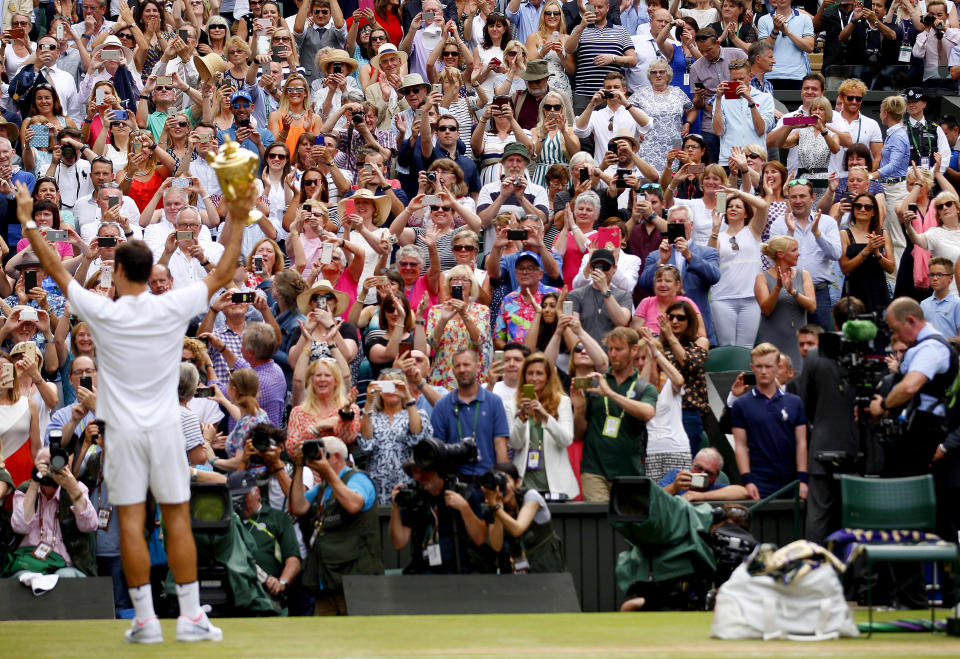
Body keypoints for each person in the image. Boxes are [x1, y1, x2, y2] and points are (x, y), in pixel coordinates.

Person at [13, 165, 255, 641]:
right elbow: (226, 269)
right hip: (164, 429)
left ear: (118, 272)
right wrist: (240, 215)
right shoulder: (172, 305)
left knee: (130, 520)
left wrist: (27, 221)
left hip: (122, 433)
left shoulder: (102, 309)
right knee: (177, 517)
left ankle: (145, 620)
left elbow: (58, 270)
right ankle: (188, 619)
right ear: (149, 272)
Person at [288, 435, 384, 615]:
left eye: (322, 455)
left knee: (358, 638)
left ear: (338, 458)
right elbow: (297, 507)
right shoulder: (323, 487)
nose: (317, 459)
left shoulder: (358, 479)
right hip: (326, 578)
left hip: (355, 581)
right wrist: (299, 466)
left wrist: (328, 472)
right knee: (325, 639)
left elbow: (354, 504)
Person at [868, 297, 957, 477]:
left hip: (926, 433)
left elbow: (909, 387)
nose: (896, 336)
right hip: (915, 429)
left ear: (910, 321)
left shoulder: (931, 348)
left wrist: (884, 405)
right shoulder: (921, 347)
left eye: (896, 329)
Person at [572, 327, 658, 502]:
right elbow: (578, 434)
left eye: (618, 349)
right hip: (594, 470)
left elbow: (647, 413)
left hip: (629, 471)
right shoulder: (595, 383)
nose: (613, 354)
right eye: (610, 349)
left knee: (627, 525)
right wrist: (579, 409)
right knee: (599, 524)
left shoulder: (643, 387)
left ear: (634, 350)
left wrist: (610, 394)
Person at [388, 441, 489, 574]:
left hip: (461, 574)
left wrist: (465, 508)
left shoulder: (463, 492)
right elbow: (399, 543)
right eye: (414, 472)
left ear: (440, 471)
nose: (418, 477)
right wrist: (395, 507)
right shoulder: (414, 496)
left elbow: (479, 538)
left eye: (423, 472)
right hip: (425, 576)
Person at [6, 447, 99, 578]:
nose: (49, 470)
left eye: (53, 465)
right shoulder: (25, 489)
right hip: (31, 562)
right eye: (44, 464)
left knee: (64, 577)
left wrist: (72, 486)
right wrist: (34, 484)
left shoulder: (75, 489)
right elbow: (19, 526)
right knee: (25, 578)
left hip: (68, 565)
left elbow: (90, 525)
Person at [732, 342, 808, 500]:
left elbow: (801, 442)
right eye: (759, 366)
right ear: (752, 367)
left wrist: (802, 479)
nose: (764, 371)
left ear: (777, 366)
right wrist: (747, 480)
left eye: (768, 366)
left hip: (791, 479)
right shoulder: (742, 404)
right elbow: (740, 445)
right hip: (759, 479)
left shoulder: (795, 402)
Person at [769, 179, 842, 331]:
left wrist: (818, 234)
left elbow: (836, 254)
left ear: (813, 197)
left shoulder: (827, 222)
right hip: (788, 291)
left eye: (802, 196)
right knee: (789, 341)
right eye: (793, 197)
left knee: (821, 344)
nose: (798, 201)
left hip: (818, 292)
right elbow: (774, 258)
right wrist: (789, 233)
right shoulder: (779, 224)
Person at [430, 348, 510, 480]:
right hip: (454, 480)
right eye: (458, 366)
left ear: (477, 367)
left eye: (466, 364)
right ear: (453, 371)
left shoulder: (494, 402)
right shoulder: (442, 406)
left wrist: (502, 481)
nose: (462, 369)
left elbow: (500, 445)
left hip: (487, 480)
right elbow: (438, 450)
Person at [356, 370, 433, 504]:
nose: (392, 391)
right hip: (377, 485)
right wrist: (369, 402)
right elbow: (366, 446)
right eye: (386, 386)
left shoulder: (417, 414)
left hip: (408, 483)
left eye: (396, 386)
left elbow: (417, 439)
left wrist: (408, 398)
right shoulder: (371, 417)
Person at [508, 352, 577, 498]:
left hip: (556, 484)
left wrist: (545, 416)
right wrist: (522, 416)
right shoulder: (513, 404)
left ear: (548, 377)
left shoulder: (562, 402)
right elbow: (515, 443)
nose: (534, 378)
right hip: (525, 483)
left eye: (539, 373)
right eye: (530, 373)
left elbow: (566, 439)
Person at [228, 470, 302, 602]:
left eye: (243, 497)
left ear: (257, 493)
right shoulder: (229, 521)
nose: (239, 503)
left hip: (268, 593)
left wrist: (282, 583)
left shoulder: (277, 518)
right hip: (236, 592)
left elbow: (293, 560)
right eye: (234, 498)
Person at [484, 461, 566, 573]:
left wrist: (495, 507)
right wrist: (497, 508)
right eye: (497, 483)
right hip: (518, 576)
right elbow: (496, 546)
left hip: (547, 570)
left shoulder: (531, 496)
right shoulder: (495, 507)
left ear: (517, 482)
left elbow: (517, 529)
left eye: (505, 481)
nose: (501, 488)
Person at [565, 0, 637, 114]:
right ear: (588, 8)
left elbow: (633, 60)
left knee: (612, 130)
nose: (596, 10)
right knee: (581, 131)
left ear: (607, 8)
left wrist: (613, 59)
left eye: (600, 7)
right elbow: (568, 49)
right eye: (593, 7)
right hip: (584, 95)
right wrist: (582, 25)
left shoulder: (621, 31)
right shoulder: (579, 29)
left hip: (611, 95)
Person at [755, 236, 816, 368]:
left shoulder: (804, 275)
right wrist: (777, 287)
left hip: (798, 342)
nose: (798, 254)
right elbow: (766, 310)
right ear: (780, 254)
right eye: (794, 250)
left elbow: (812, 306)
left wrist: (792, 291)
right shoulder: (762, 278)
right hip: (773, 341)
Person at [573, 71, 651, 165]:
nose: (612, 90)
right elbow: (579, 131)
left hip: (629, 172)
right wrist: (591, 105)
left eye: (616, 87)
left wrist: (626, 103)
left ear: (624, 90)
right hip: (603, 171)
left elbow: (648, 126)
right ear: (603, 90)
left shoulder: (633, 112)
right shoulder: (595, 115)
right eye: (608, 88)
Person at [840, 192, 895, 313]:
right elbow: (845, 268)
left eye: (868, 207)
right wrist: (866, 250)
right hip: (854, 292)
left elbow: (891, 267)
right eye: (858, 206)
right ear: (853, 209)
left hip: (877, 291)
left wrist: (877, 254)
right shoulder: (845, 234)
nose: (862, 209)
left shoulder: (882, 233)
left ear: (874, 211)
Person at [713, 59, 775, 167]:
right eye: (734, 80)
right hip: (729, 160)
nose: (737, 83)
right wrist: (718, 99)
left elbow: (761, 130)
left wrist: (750, 101)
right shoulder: (721, 99)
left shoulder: (765, 98)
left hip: (755, 161)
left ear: (750, 77)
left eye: (741, 79)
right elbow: (718, 131)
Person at [757, 0, 815, 90]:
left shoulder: (804, 18)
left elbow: (809, 47)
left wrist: (787, 32)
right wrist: (775, 30)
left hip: (797, 76)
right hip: (771, 75)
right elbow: (763, 50)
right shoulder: (764, 20)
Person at [659, 447, 749, 501]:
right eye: (698, 468)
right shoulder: (677, 477)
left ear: (716, 476)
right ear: (692, 464)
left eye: (709, 473)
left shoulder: (715, 488)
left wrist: (701, 496)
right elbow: (652, 497)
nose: (702, 474)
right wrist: (674, 487)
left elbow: (743, 492)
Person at [921, 257, 960, 336]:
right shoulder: (923, 304)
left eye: (940, 275)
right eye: (932, 274)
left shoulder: (957, 303)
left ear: (951, 278)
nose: (935, 278)